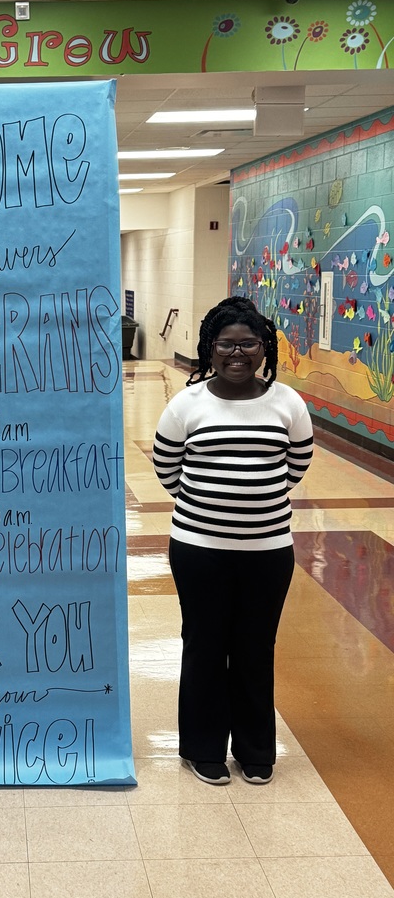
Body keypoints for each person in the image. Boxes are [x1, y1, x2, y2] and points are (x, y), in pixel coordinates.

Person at [152, 296, 313, 786]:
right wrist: (213, 509)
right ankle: (203, 749)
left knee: (255, 645)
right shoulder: (187, 404)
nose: (237, 353)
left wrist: (251, 506)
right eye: (227, 344)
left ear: (264, 347)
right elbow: (167, 468)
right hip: (198, 550)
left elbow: (296, 466)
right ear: (209, 348)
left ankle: (255, 750)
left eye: (249, 343)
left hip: (267, 552)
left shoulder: (287, 402)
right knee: (203, 644)